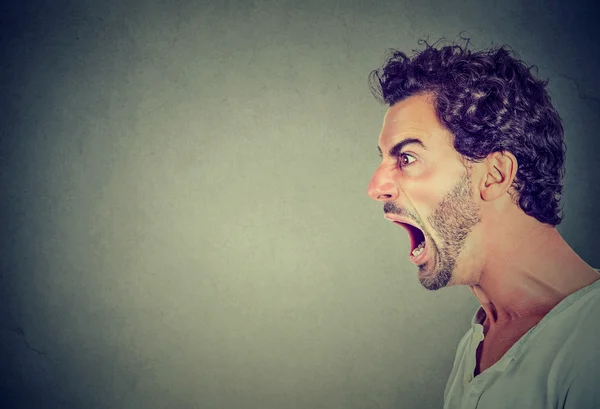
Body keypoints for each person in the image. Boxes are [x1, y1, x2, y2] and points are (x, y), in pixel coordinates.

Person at [366, 41, 600, 409]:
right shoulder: (479, 339)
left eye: (407, 157)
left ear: (494, 176)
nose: (375, 187)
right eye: (384, 159)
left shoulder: (591, 343)